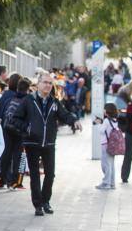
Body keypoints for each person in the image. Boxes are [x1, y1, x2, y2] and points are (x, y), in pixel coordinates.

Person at [10, 73, 81, 216]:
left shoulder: (54, 102)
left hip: (48, 143)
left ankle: (45, 201)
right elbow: (15, 119)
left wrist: (74, 121)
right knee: (35, 175)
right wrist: (27, 128)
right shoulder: (28, 100)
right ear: (38, 84)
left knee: (50, 174)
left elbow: (64, 114)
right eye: (45, 82)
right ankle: (37, 205)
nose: (48, 85)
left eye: (50, 83)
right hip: (32, 142)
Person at [0, 78, 32, 189]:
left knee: (6, 155)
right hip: (20, 132)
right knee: (20, 156)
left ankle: (2, 179)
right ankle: (16, 182)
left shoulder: (10, 98)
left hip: (7, 129)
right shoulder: (28, 101)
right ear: (28, 89)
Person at [97, 103, 120, 190]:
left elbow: (101, 131)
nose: (103, 110)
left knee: (105, 164)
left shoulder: (106, 121)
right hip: (112, 145)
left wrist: (99, 124)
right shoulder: (115, 120)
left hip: (105, 144)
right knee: (111, 165)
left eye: (104, 109)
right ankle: (112, 183)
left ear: (107, 111)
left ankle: (106, 183)